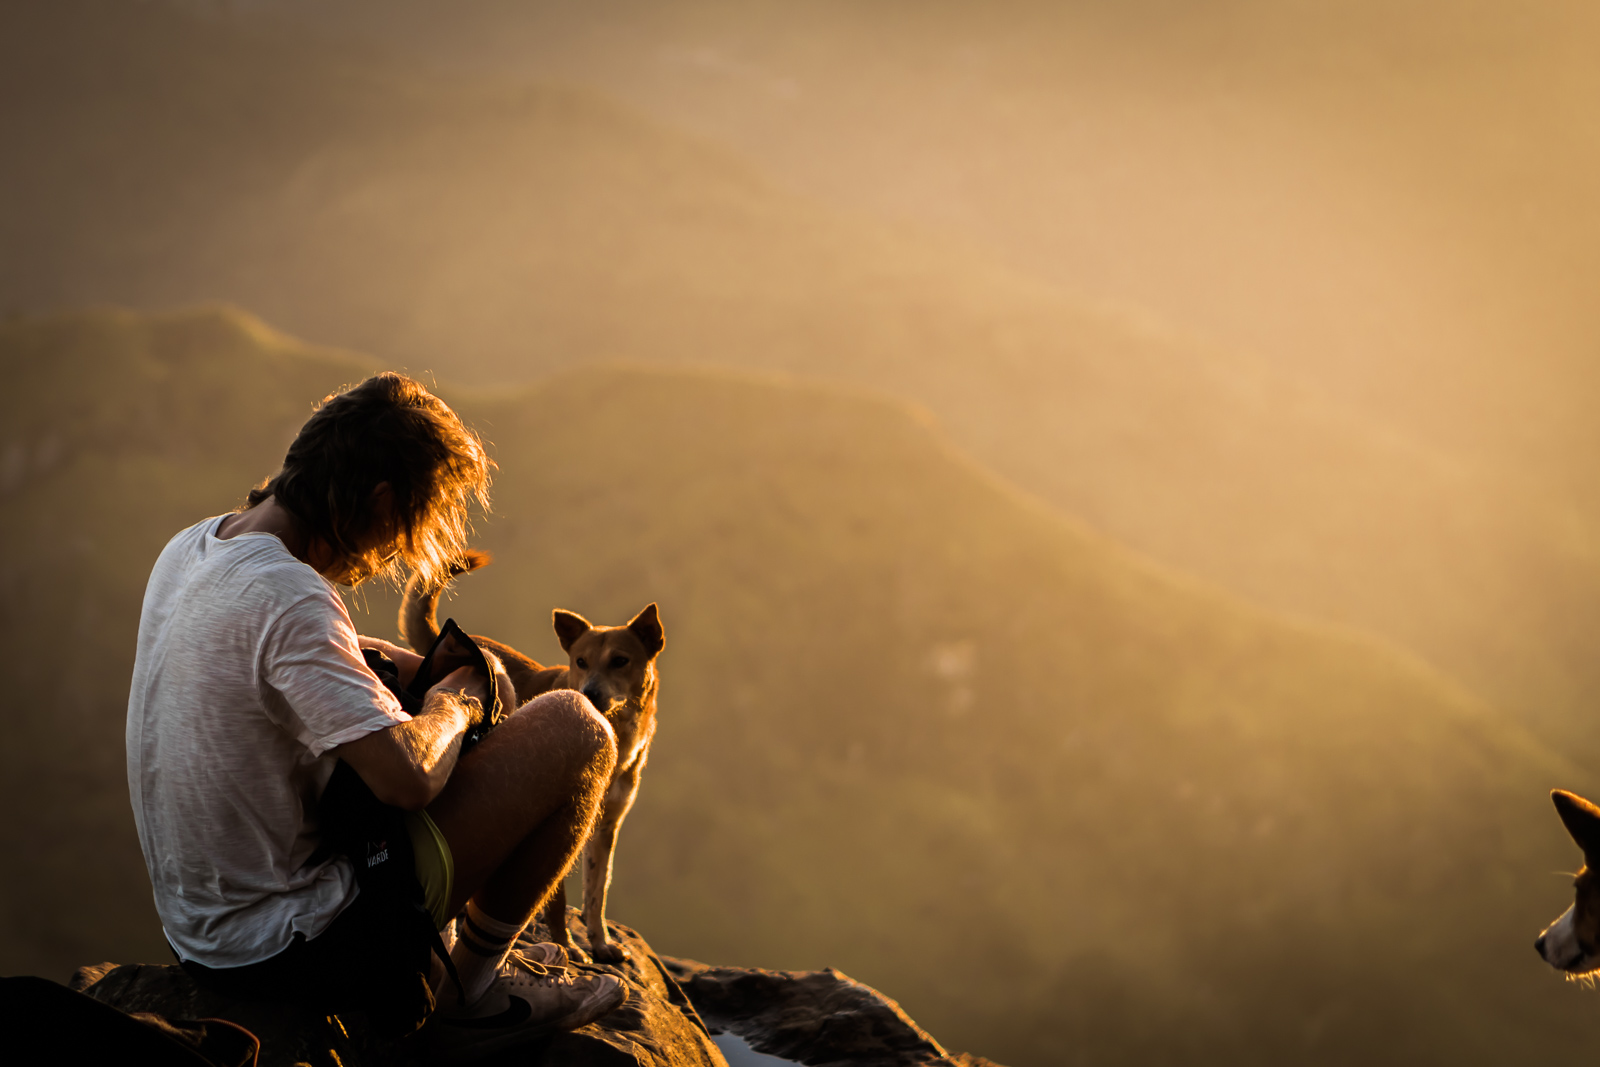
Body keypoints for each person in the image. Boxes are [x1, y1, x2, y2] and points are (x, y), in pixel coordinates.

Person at [125, 373, 625, 1059]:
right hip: (298, 945)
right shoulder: (291, 597)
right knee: (577, 726)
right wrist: (462, 698)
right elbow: (406, 779)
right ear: (382, 501)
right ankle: (467, 994)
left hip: (204, 937)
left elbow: (278, 658)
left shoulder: (194, 548)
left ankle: (454, 966)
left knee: (420, 702)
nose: (397, 550)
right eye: (410, 524)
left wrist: (411, 664)